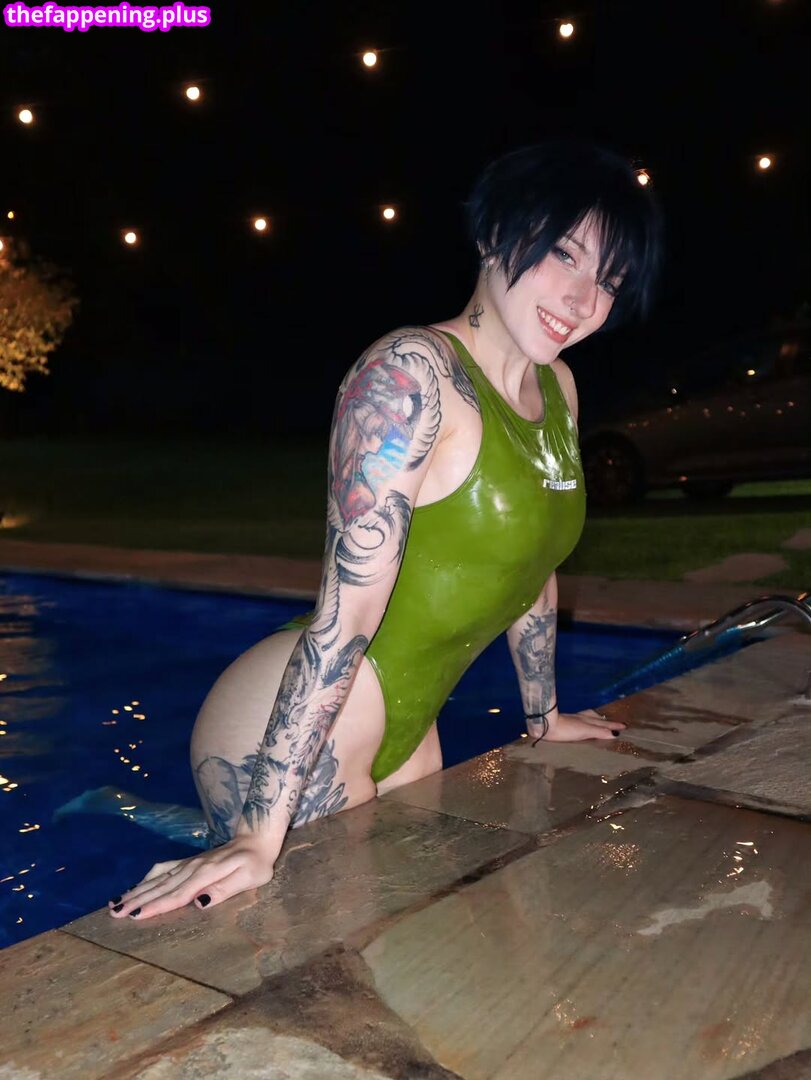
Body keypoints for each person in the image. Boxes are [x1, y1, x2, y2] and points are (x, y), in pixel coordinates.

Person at [108, 139, 663, 922]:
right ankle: (185, 819)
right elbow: (347, 614)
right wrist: (260, 835)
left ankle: (125, 805)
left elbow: (534, 560)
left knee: (416, 936)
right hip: (295, 725)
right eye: (563, 254)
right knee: (324, 950)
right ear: (492, 235)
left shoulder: (558, 388)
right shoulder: (410, 376)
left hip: (406, 724)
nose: (580, 298)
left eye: (607, 281)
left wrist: (542, 716)